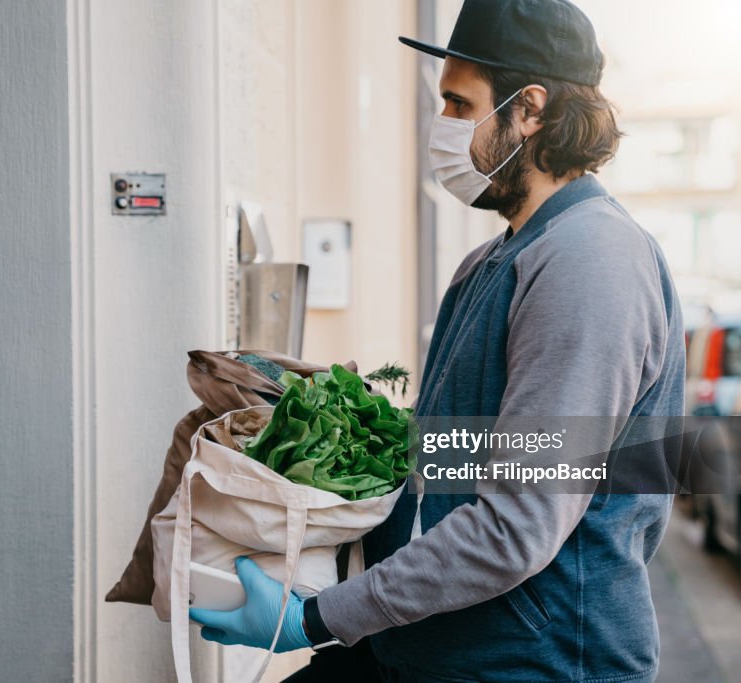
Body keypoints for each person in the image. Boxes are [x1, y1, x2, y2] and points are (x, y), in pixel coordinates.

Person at [190, 1, 686, 681]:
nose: (443, 127)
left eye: (459, 103)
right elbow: (447, 460)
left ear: (531, 109)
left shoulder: (589, 261)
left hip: (535, 663)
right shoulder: (492, 263)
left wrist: (314, 617)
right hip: (437, 647)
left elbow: (517, 526)